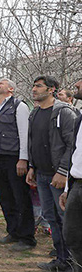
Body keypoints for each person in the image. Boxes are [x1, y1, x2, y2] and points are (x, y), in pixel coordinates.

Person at [26, 76, 77, 271]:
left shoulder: (64, 113)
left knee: (65, 219)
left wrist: (63, 172)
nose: (34, 89)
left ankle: (73, 262)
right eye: (34, 85)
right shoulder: (35, 113)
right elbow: (34, 143)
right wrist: (32, 166)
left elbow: (73, 145)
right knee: (51, 217)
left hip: (59, 177)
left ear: (52, 89)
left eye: (38, 86)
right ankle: (61, 259)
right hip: (41, 174)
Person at [0, 78, 36, 250]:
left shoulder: (19, 106)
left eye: (2, 83)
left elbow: (24, 134)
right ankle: (13, 231)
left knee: (20, 197)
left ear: (11, 89)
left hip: (14, 158)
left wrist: (23, 159)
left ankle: (27, 238)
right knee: (5, 197)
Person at [60, 78, 82, 272]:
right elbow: (75, 153)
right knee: (72, 235)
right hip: (77, 185)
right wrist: (68, 188)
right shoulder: (80, 117)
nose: (77, 84)